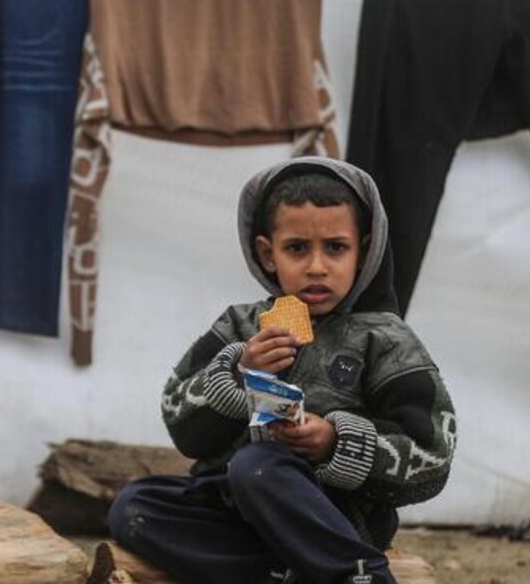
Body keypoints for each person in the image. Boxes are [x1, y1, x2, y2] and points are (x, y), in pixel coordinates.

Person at [108, 157, 457, 584]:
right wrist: (237, 373)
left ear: (363, 250)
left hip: (333, 518)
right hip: (234, 509)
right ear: (266, 253)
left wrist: (334, 442)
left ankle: (359, 574)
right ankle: (285, 575)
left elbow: (432, 459)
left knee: (258, 466)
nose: (316, 266)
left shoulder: (385, 339)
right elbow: (182, 426)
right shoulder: (240, 326)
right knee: (135, 505)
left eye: (335, 247)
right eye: (297, 248)